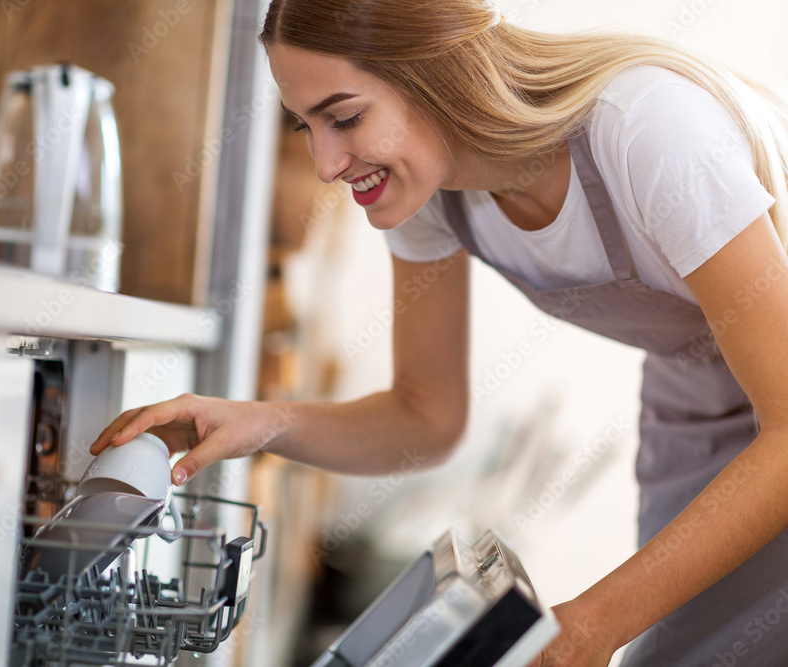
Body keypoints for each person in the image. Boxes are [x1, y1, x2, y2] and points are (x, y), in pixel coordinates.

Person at [91, 1, 788, 664]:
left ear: (435, 71)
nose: (328, 165)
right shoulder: (433, 196)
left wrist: (599, 618)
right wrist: (258, 422)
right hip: (695, 394)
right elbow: (425, 416)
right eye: (307, 126)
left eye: (346, 117)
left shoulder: (649, 128)